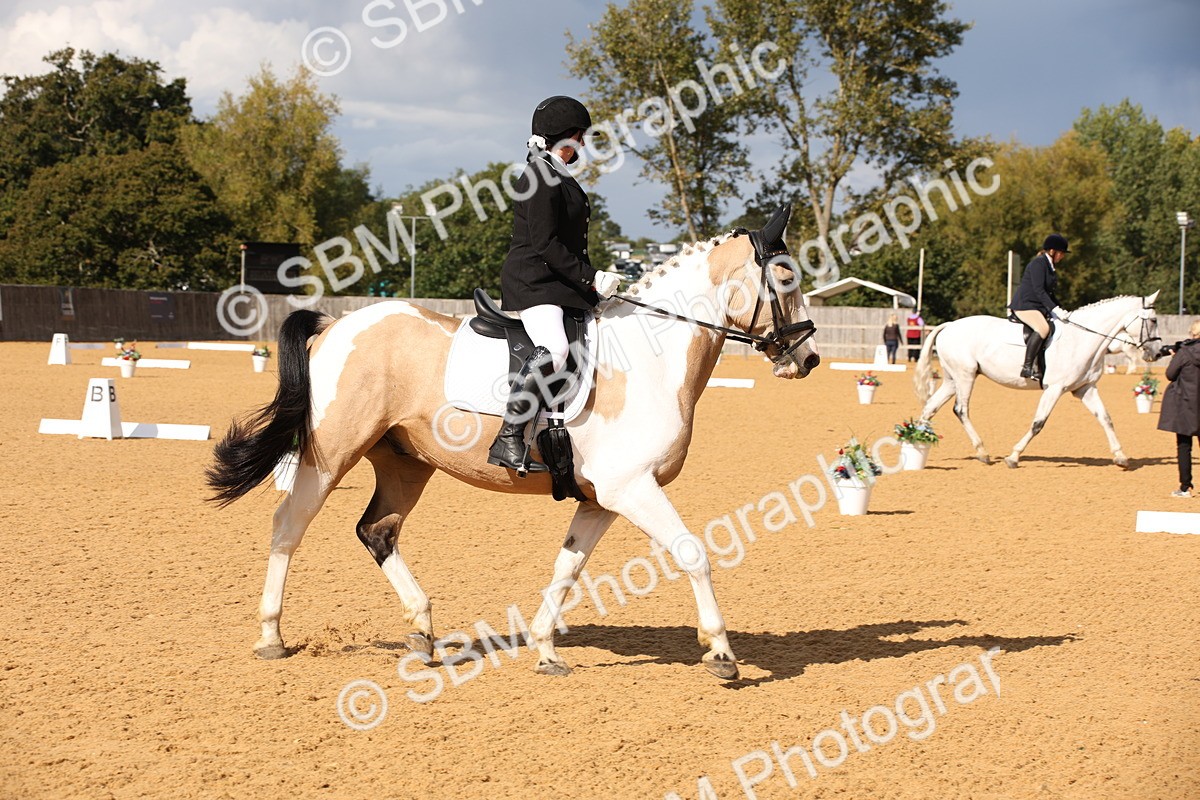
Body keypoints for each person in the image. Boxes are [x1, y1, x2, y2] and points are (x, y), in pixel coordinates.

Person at [487, 95, 622, 473]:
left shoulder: (556, 173)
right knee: (556, 349)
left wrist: (593, 287)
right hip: (535, 283)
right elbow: (546, 244)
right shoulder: (539, 176)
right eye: (579, 136)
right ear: (566, 135)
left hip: (558, 284)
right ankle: (509, 437)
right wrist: (590, 277)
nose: (581, 145)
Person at [1009, 233, 1071, 382]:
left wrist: (1061, 309)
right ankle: (1027, 366)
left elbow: (1049, 293)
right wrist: (1054, 309)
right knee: (1043, 329)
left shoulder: (1050, 266)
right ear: (1052, 251)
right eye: (1061, 253)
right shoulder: (1038, 264)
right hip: (1025, 305)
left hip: (1037, 306)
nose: (1062, 256)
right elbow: (1039, 290)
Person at [1157, 321, 1200, 497]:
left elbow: (1170, 375)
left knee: (1184, 446)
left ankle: (1185, 487)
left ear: (1193, 333)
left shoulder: (1185, 352)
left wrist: (1176, 356)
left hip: (1186, 405)